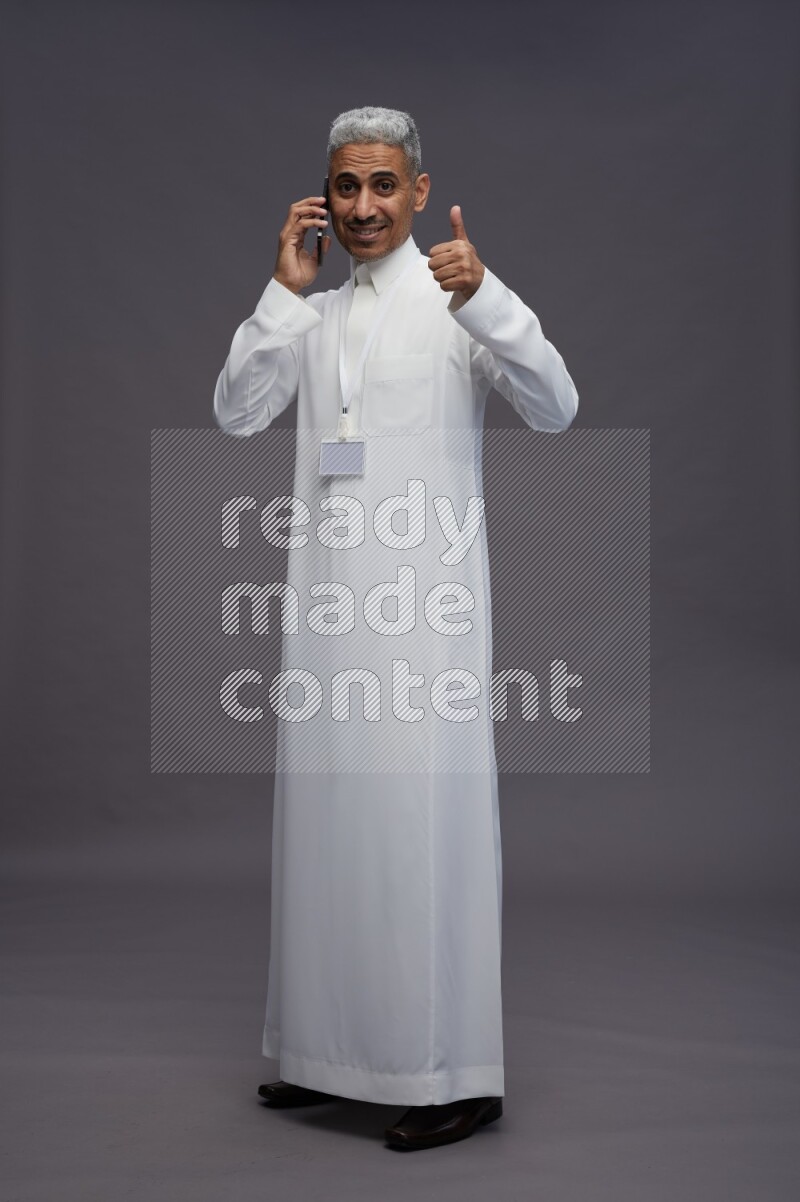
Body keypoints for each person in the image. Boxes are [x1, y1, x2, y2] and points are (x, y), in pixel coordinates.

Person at [213, 106, 578, 1151]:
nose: (363, 207)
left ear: (418, 191)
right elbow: (237, 410)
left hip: (422, 619)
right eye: (344, 188)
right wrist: (280, 294)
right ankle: (324, 1054)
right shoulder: (315, 316)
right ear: (321, 199)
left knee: (420, 838)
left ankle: (448, 1070)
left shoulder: (457, 298)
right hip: (327, 616)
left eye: (382, 186)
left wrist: (490, 301)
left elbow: (555, 404)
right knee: (326, 830)